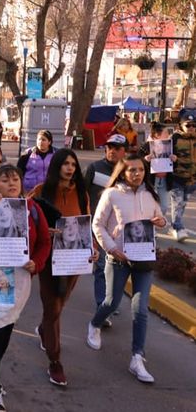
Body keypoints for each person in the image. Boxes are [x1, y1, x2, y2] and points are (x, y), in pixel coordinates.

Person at [86, 155, 166, 383]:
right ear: (122, 172)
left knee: (140, 309)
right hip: (119, 259)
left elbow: (159, 218)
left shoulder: (150, 194)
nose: (137, 174)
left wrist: (161, 222)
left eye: (141, 170)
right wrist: (111, 248)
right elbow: (97, 224)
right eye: (132, 170)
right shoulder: (112, 194)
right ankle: (94, 323)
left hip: (144, 260)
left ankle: (137, 358)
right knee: (111, 302)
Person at [0, 164, 50, 412]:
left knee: (6, 329)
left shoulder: (32, 209)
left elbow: (44, 242)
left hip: (21, 277)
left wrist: (37, 263)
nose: (12, 183)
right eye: (6, 180)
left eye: (15, 179)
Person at [29, 148, 97, 386]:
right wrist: (43, 232)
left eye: (73, 164)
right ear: (57, 166)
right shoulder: (40, 192)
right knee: (53, 306)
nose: (70, 168)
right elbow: (23, 221)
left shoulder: (81, 193)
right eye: (65, 163)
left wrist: (93, 248)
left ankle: (43, 328)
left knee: (59, 305)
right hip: (49, 261)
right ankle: (55, 361)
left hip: (74, 261)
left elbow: (86, 222)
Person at [84, 134, 127, 315]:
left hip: (120, 229)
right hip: (99, 227)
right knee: (101, 266)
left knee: (116, 268)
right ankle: (102, 304)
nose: (111, 151)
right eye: (109, 147)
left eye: (116, 148)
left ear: (124, 150)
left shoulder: (129, 171)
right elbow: (82, 195)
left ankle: (110, 301)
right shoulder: (94, 168)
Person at [140, 122, 173, 228]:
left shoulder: (170, 145)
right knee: (149, 204)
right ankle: (149, 228)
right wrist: (145, 159)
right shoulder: (146, 146)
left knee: (163, 205)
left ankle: (155, 224)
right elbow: (136, 160)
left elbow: (173, 163)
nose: (168, 134)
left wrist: (175, 159)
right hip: (150, 180)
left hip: (164, 179)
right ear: (157, 135)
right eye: (166, 132)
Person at [169, 116, 196, 241]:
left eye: (193, 125)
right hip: (177, 177)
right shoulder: (174, 138)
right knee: (178, 202)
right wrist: (171, 157)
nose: (191, 128)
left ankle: (175, 225)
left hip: (192, 179)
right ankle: (178, 228)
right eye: (188, 125)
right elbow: (163, 151)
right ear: (181, 125)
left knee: (183, 203)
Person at [17, 130, 56, 194]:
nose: (41, 142)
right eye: (39, 139)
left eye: (43, 140)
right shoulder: (27, 154)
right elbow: (19, 171)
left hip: (48, 190)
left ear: (49, 142)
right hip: (29, 190)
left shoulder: (55, 154)